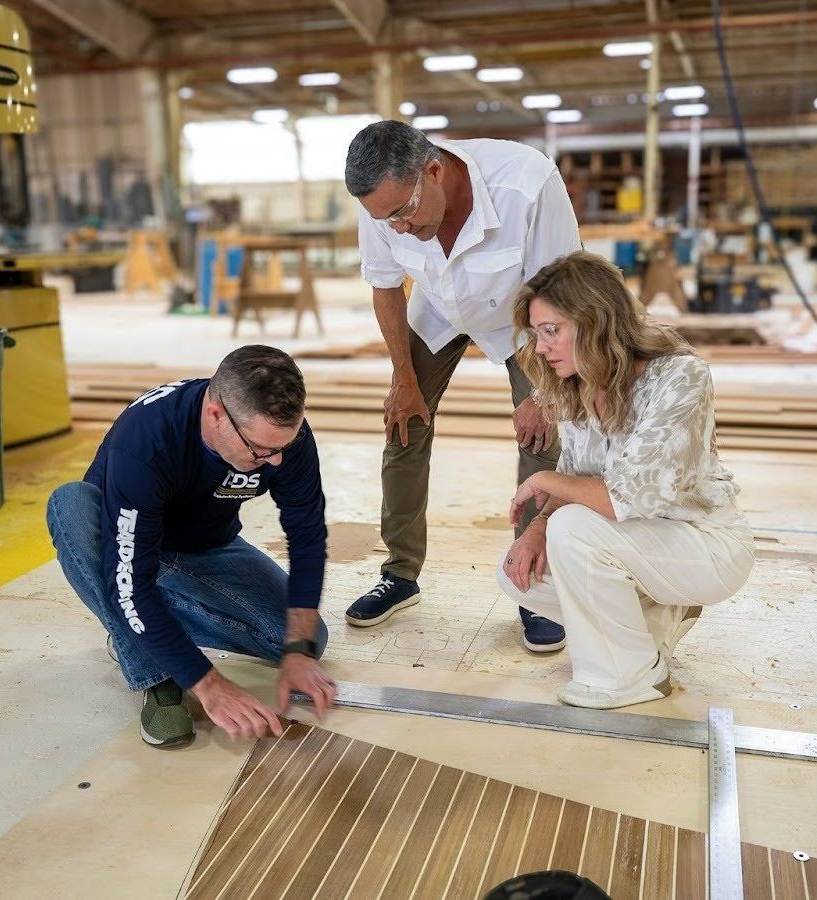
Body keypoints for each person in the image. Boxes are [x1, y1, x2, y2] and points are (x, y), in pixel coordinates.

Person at [341, 119, 581, 652]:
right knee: (403, 424)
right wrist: (404, 379)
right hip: (441, 310)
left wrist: (543, 395)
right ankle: (400, 574)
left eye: (403, 212)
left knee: (543, 438)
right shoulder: (383, 204)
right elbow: (385, 289)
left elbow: (562, 292)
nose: (397, 227)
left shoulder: (528, 184)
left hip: (527, 315)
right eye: (385, 219)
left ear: (433, 171)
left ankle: (534, 584)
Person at [496, 252, 754, 709]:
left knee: (572, 530)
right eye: (537, 334)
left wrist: (547, 482)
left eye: (551, 331)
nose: (540, 348)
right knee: (518, 573)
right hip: (639, 543)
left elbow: (622, 498)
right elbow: (578, 480)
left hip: (704, 544)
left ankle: (630, 673)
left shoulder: (679, 375)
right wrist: (536, 530)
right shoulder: (576, 385)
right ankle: (656, 621)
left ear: (594, 320)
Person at [46, 346, 337, 748]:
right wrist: (207, 682)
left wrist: (299, 650)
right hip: (122, 547)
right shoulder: (145, 440)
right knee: (71, 505)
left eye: (283, 448)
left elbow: (307, 538)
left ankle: (141, 624)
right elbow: (130, 578)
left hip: (208, 547)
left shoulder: (282, 441)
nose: (275, 462)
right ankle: (156, 674)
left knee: (303, 638)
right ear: (216, 415)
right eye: (260, 451)